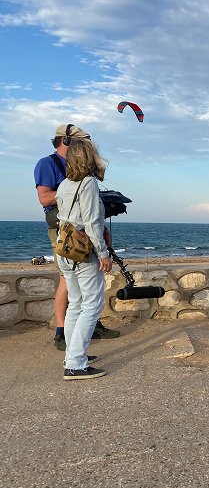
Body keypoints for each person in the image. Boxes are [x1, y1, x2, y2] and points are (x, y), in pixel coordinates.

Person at [34, 124, 120, 351]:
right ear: (68, 141)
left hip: (72, 229)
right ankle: (67, 344)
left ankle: (73, 352)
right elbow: (45, 199)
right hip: (72, 234)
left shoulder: (69, 181)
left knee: (78, 298)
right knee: (82, 296)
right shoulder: (50, 165)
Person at [56, 138, 114, 380]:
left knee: (76, 304)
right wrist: (103, 253)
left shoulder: (64, 184)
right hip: (83, 252)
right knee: (92, 305)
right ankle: (76, 364)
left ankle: (72, 354)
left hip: (65, 250)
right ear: (89, 158)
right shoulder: (88, 183)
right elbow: (91, 222)